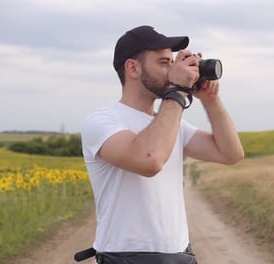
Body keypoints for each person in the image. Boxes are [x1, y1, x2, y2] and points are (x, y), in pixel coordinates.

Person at [80, 25, 244, 264]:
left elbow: (231, 153)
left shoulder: (169, 120)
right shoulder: (102, 120)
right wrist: (177, 91)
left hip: (180, 255)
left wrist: (211, 100)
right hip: (125, 258)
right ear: (133, 68)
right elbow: (150, 160)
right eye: (165, 62)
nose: (173, 69)